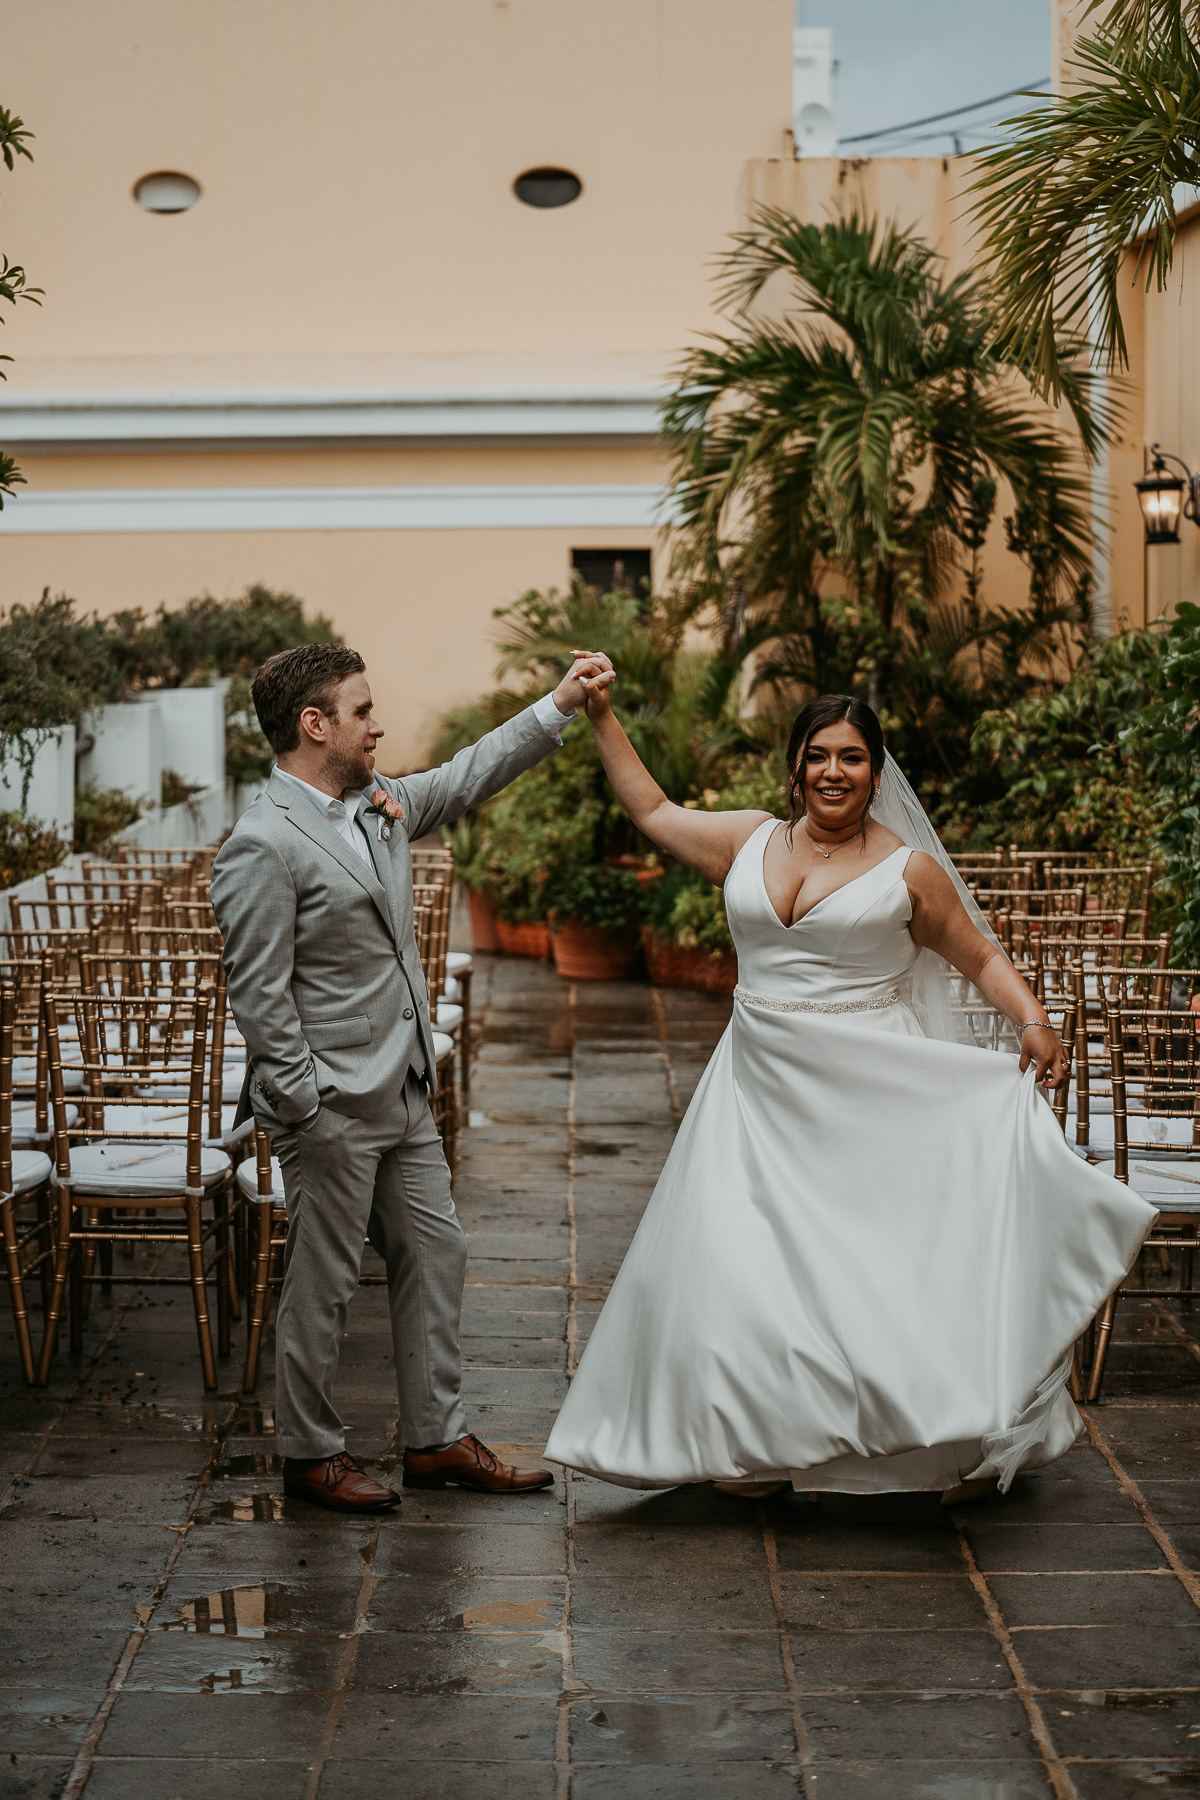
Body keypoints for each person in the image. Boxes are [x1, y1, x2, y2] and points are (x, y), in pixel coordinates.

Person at [545, 685, 1155, 1500]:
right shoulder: (747, 839)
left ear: (875, 773)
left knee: (871, 1275)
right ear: (796, 767)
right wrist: (600, 715)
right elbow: (653, 808)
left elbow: (978, 956)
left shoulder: (910, 871)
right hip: (755, 1090)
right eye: (819, 755)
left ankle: (928, 1439)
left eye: (853, 758)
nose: (834, 771)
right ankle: (759, 1447)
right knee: (742, 1266)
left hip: (871, 1097)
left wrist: (1034, 1021)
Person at [212, 641, 615, 1512]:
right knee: (321, 1284)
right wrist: (304, 1104)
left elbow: (470, 773)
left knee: (437, 1250)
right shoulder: (261, 843)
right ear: (314, 725)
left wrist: (559, 705)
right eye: (362, 711)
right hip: (328, 1105)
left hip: (402, 1088)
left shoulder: (380, 804)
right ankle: (311, 1454)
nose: (378, 724)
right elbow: (258, 992)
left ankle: (434, 1440)